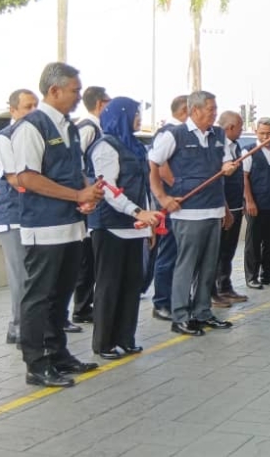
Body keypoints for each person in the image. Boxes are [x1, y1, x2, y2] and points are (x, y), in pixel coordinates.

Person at [12, 62, 104, 388]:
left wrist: (86, 194)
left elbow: (73, 172)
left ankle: (58, 353)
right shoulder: (32, 127)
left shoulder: (70, 127)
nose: (79, 97)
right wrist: (76, 193)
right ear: (54, 90)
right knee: (39, 297)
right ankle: (36, 363)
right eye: (75, 91)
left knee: (61, 295)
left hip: (72, 225)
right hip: (45, 227)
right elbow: (27, 177)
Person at [148, 91, 238, 336]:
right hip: (187, 213)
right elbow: (153, 164)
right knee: (186, 265)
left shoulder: (219, 135)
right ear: (195, 110)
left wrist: (227, 168)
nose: (214, 112)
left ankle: (202, 312)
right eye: (211, 108)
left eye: (215, 108)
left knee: (209, 266)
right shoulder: (173, 134)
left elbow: (225, 164)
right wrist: (163, 198)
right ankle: (180, 316)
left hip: (214, 209)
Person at [85, 98, 162, 359]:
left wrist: (148, 224)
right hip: (110, 227)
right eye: (134, 113)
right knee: (109, 285)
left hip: (136, 227)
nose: (139, 118)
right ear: (120, 116)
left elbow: (145, 188)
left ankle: (125, 338)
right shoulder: (105, 147)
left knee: (132, 284)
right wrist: (138, 212)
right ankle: (104, 342)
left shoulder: (137, 147)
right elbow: (107, 189)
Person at [0, 89, 38, 345]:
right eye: (27, 106)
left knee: (32, 275)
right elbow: (15, 179)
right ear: (13, 110)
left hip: (34, 215)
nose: (32, 112)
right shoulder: (2, 140)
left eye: (35, 106)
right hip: (12, 216)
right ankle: (20, 327)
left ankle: (23, 325)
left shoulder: (32, 137)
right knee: (21, 274)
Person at [70, 86, 111, 329]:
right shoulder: (88, 127)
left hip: (92, 198)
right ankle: (82, 307)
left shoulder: (94, 127)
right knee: (86, 258)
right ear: (99, 104)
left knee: (89, 257)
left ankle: (85, 305)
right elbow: (77, 162)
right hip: (86, 200)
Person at [149, 95, 188, 321]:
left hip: (183, 203)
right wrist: (182, 188)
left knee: (182, 254)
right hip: (172, 202)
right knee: (169, 253)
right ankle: (162, 302)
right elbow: (161, 169)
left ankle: (177, 299)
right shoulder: (169, 133)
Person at [243, 118, 270, 289]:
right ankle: (251, 276)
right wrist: (249, 201)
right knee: (253, 242)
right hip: (256, 204)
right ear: (256, 132)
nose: (266, 136)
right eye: (262, 133)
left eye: (269, 133)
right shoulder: (248, 151)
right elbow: (244, 177)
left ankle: (269, 275)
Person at [213, 110, 248, 306]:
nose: (242, 131)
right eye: (241, 127)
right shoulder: (217, 147)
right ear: (231, 127)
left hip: (235, 205)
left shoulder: (235, 147)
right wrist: (224, 208)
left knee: (229, 250)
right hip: (222, 208)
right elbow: (220, 180)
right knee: (218, 251)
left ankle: (225, 286)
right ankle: (215, 289)